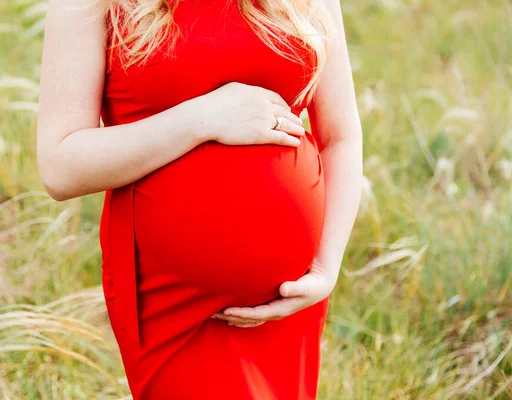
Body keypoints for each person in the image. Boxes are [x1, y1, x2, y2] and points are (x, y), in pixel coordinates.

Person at [36, 0, 363, 398]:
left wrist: (326, 267)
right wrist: (201, 120)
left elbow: (341, 136)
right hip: (171, 302)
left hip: (290, 298)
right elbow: (59, 165)